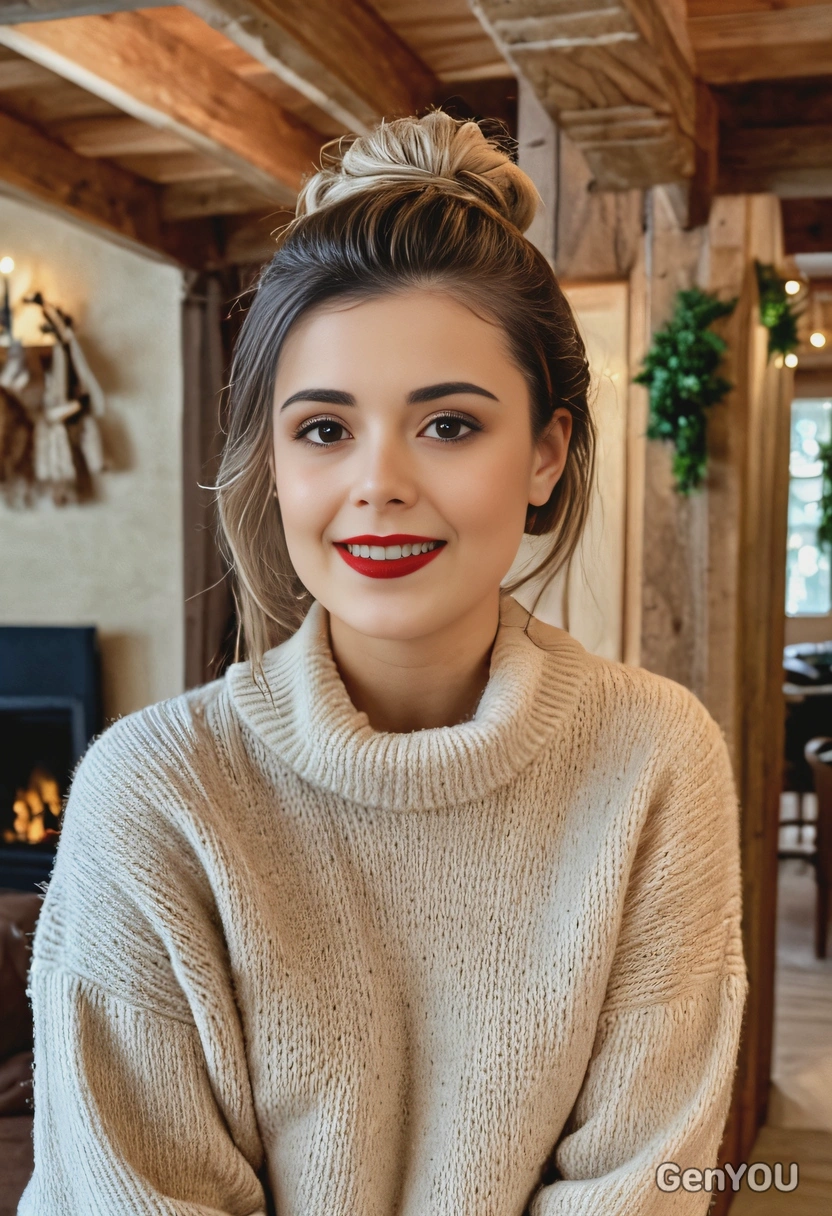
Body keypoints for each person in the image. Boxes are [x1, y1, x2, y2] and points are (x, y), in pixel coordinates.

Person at [19, 111, 747, 1216]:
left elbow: (647, 1185)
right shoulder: (156, 793)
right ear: (274, 455)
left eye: (449, 425)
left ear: (546, 452)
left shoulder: (653, 759)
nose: (379, 483)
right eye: (323, 430)